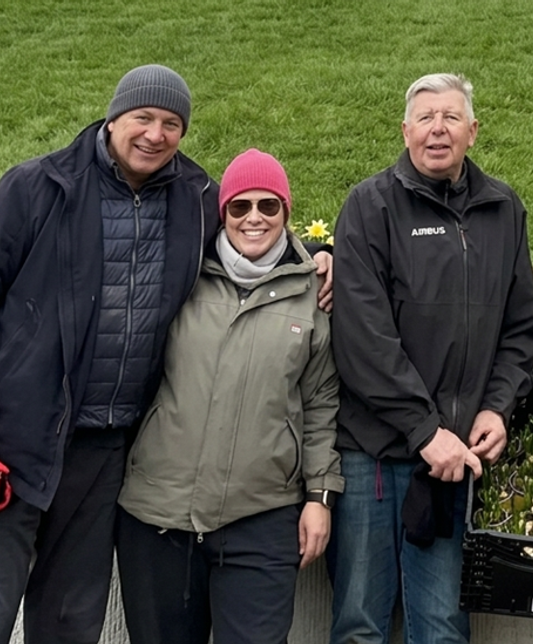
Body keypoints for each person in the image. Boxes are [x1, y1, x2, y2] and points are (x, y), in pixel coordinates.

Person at [0, 65, 331, 644]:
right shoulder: (36, 188)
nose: (155, 134)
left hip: (103, 450)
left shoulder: (195, 200)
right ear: (113, 117)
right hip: (17, 440)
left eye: (171, 123)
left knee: (68, 621)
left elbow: (254, 238)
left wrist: (323, 254)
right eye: (143, 118)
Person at [327, 72, 533, 643]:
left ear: (473, 130)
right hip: (373, 455)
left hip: (453, 461)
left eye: (450, 118)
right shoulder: (370, 206)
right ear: (405, 130)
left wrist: (496, 408)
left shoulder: (503, 210)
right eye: (425, 118)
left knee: (443, 627)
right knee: (358, 626)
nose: (437, 130)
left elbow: (521, 332)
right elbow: (361, 338)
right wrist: (425, 430)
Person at [114, 148, 343, 644]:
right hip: (158, 516)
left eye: (269, 205)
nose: (254, 218)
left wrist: (320, 497)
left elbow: (321, 404)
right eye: (240, 206)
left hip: (261, 518)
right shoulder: (180, 273)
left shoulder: (315, 290)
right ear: (222, 213)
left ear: (287, 211)